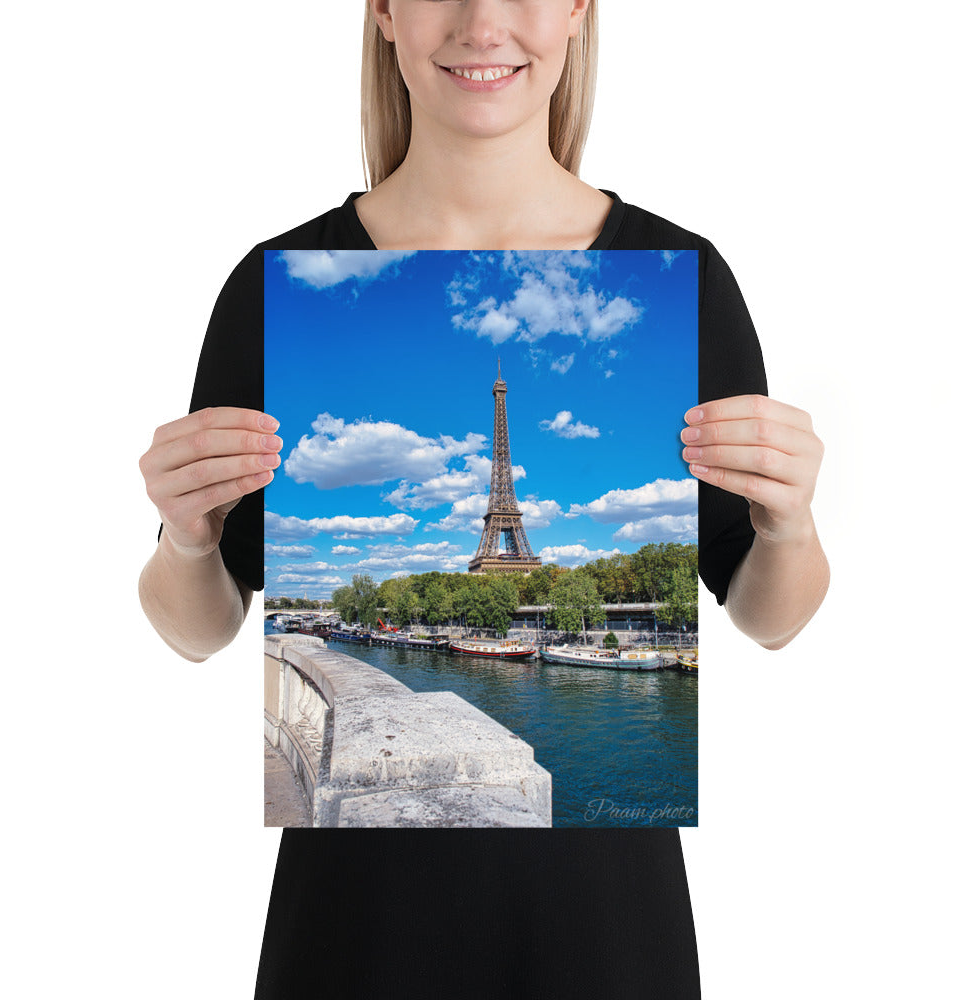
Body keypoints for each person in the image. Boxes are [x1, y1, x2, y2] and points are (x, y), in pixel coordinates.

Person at [138, 2, 829, 996]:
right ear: (381, 10)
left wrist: (788, 522)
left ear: (580, 10)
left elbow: (769, 616)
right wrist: (186, 539)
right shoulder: (263, 284)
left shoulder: (689, 276)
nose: (481, 18)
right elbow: (198, 629)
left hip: (601, 935)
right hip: (357, 934)